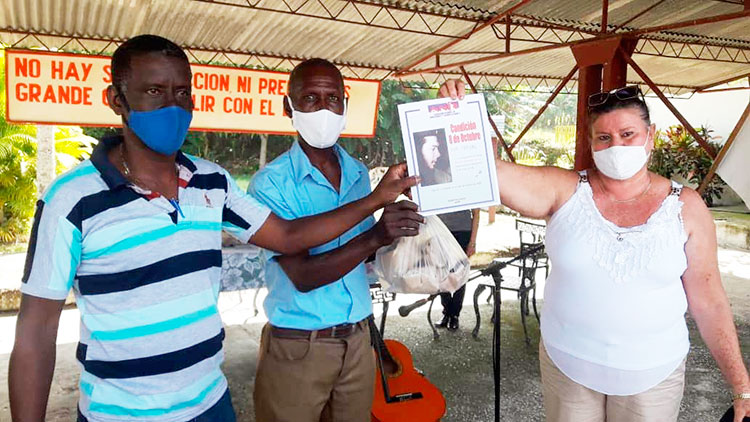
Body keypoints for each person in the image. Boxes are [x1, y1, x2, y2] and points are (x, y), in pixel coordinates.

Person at [9, 35, 419, 422]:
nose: (173, 105)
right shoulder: (71, 199)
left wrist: (376, 202)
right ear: (116, 99)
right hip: (121, 412)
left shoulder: (212, 181)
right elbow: (35, 333)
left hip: (210, 401)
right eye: (154, 91)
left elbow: (289, 236)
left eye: (182, 93)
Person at [439, 80, 750, 422]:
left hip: (653, 376)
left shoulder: (685, 207)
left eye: (628, 134)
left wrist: (741, 384)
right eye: (604, 137)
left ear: (651, 136)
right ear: (591, 143)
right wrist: (458, 117)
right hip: (569, 366)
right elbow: (494, 174)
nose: (616, 145)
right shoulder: (565, 190)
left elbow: (710, 300)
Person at [247, 58, 421, 422]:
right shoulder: (271, 184)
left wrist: (398, 226)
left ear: (344, 104)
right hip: (299, 347)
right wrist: (375, 229)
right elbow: (304, 276)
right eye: (310, 98)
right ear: (288, 107)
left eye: (332, 98)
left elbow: (366, 254)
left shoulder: (357, 172)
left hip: (358, 341)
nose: (323, 108)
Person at [435, 209, 480, 331]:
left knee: (460, 274)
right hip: (440, 231)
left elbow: (476, 213)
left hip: (462, 231)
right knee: (441, 274)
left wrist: (473, 242)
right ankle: (446, 312)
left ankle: (455, 315)